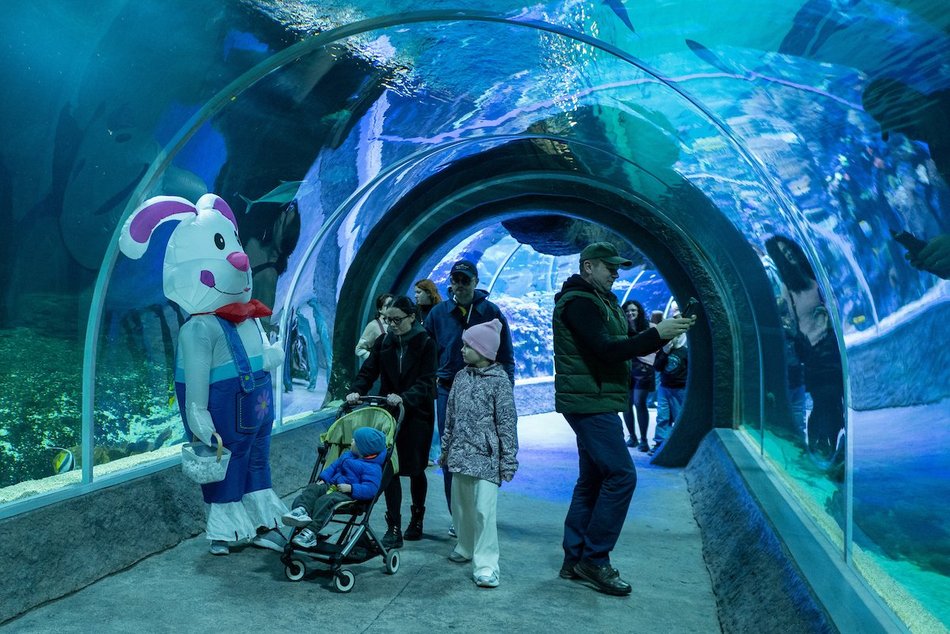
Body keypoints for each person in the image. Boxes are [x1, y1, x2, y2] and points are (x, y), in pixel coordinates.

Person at [553, 242, 694, 595]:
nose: (616, 273)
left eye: (617, 268)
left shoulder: (601, 301)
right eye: (609, 267)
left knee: (593, 479)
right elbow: (606, 349)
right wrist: (656, 334)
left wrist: (663, 336)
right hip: (590, 402)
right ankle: (595, 559)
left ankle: (574, 560)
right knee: (621, 475)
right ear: (588, 267)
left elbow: (626, 342)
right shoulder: (581, 303)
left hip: (595, 399)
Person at [424, 259, 515, 535]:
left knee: (483, 450)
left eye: (466, 280)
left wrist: (506, 389)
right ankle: (458, 517)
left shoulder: (491, 311)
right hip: (448, 387)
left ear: (475, 283)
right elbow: (426, 351)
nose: (460, 285)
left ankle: (479, 512)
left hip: (486, 389)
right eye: (456, 280)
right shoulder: (439, 313)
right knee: (451, 451)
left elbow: (506, 355)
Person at [347, 296, 437, 548]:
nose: (392, 325)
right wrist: (355, 390)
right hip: (389, 412)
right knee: (390, 467)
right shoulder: (384, 341)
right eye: (388, 320)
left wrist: (405, 398)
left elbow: (427, 380)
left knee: (416, 468)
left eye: (397, 320)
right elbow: (368, 371)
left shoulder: (426, 342)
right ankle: (393, 526)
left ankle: (417, 518)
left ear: (411, 317)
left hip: (417, 412)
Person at [440, 319, 519, 589]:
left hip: (486, 459)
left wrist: (508, 460)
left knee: (484, 512)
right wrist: (446, 448)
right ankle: (465, 546)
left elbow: (507, 423)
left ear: (484, 350)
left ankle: (486, 565)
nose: (462, 350)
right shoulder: (461, 376)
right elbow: (449, 416)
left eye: (467, 346)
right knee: (461, 508)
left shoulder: (500, 382)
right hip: (460, 454)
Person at [764, 236, 844, 462]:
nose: (788, 253)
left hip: (833, 346)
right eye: (782, 252)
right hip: (815, 351)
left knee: (834, 399)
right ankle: (819, 445)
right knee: (824, 398)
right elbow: (791, 321)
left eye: (788, 247)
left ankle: (829, 445)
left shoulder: (814, 274)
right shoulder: (787, 288)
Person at [282, 427, 387, 548]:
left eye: (354, 441)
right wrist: (323, 479)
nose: (351, 441)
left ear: (363, 449)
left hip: (347, 494)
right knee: (312, 488)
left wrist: (351, 488)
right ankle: (301, 510)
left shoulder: (372, 468)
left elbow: (371, 489)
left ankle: (311, 532)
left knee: (325, 501)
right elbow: (333, 467)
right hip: (332, 485)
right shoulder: (348, 455)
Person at [621, 300, 655, 452]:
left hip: (643, 370)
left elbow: (660, 345)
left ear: (639, 311)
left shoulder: (648, 327)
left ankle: (644, 439)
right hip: (626, 369)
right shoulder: (622, 328)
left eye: (633, 310)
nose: (630, 313)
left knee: (639, 402)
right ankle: (632, 437)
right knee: (626, 404)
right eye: (627, 311)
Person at [650, 330, 688, 456]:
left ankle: (678, 443)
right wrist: (664, 352)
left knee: (678, 416)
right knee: (662, 416)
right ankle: (660, 442)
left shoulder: (685, 352)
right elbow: (657, 367)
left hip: (680, 389)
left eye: (676, 335)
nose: (673, 338)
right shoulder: (664, 350)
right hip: (664, 388)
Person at [355, 293, 394, 363]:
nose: (390, 308)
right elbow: (359, 349)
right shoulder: (373, 326)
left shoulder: (395, 324)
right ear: (380, 309)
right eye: (387, 305)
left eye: (392, 305)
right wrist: (376, 359)